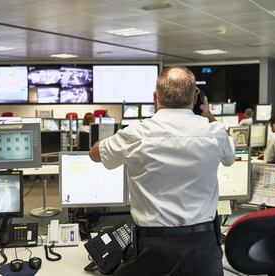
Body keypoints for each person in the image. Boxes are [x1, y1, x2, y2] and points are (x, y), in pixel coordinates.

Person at [89, 66, 235, 276]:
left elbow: (95, 154)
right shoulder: (216, 133)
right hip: (204, 247)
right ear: (196, 98)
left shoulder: (135, 134)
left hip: (153, 247)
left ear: (155, 97)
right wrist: (208, 115)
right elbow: (230, 158)